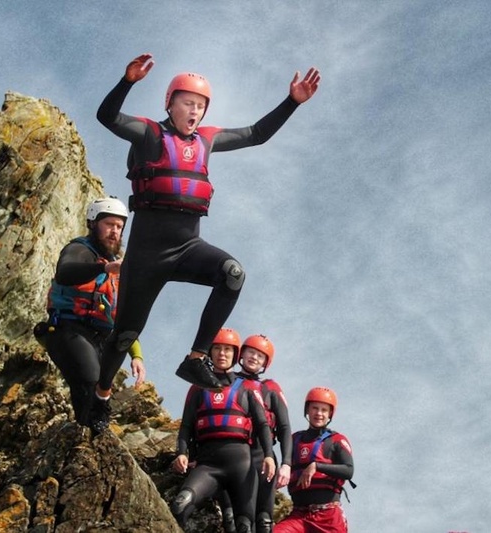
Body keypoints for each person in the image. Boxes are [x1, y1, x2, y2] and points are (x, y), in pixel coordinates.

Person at [89, 52, 321, 432]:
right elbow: (107, 117)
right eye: (187, 103)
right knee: (125, 335)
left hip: (187, 248)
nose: (194, 111)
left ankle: (196, 357)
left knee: (233, 274)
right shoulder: (149, 133)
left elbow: (256, 134)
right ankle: (100, 395)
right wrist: (127, 81)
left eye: (200, 105)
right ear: (170, 103)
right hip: (147, 257)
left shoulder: (208, 140)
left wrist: (292, 102)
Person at [35, 196, 145, 433]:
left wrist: (136, 355)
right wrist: (104, 268)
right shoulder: (80, 249)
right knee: (91, 383)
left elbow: (123, 315)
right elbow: (65, 273)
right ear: (94, 223)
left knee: (97, 391)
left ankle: (85, 436)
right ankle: (90, 438)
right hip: (68, 330)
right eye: (109, 225)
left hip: (101, 338)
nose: (115, 232)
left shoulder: (117, 265)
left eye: (119, 227)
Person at [170, 328, 277, 533]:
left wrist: (269, 456)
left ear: (235, 355)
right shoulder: (198, 389)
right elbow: (186, 426)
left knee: (244, 526)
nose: (222, 353)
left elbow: (263, 425)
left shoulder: (246, 389)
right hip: (208, 465)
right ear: (210, 353)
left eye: (227, 349)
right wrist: (181, 453)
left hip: (242, 466)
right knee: (180, 505)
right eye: (217, 348)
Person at [217, 334, 292, 533]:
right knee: (232, 517)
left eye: (260, 356)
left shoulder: (270, 388)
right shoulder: (225, 382)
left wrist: (286, 464)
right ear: (241, 353)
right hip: (231, 453)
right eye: (251, 352)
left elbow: (284, 427)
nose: (254, 357)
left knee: (264, 518)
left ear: (265, 363)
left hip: (261, 454)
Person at [274, 387, 355, 533]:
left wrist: (316, 466)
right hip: (299, 516)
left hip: (329, 518)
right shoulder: (294, 440)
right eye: (315, 408)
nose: (319, 413)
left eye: (324, 410)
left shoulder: (337, 440)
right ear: (307, 410)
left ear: (330, 414)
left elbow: (349, 470)